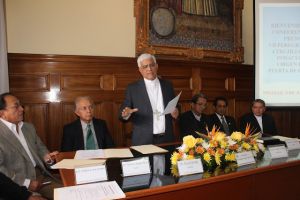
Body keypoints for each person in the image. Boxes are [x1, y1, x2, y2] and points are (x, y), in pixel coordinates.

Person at [0, 93, 61, 200]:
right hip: (18, 184)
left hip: (41, 176)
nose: (22, 109)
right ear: (2, 113)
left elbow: (41, 148)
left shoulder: (28, 127)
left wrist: (48, 158)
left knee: (70, 192)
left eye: (21, 105)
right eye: (16, 106)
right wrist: (26, 182)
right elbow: (1, 170)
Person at [119, 53, 179, 145]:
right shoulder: (133, 88)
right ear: (140, 70)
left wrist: (176, 112)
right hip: (143, 140)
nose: (149, 69)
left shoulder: (168, 85)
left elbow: (176, 106)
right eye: (145, 66)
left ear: (157, 66)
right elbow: (123, 113)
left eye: (152, 65)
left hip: (167, 139)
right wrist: (125, 114)